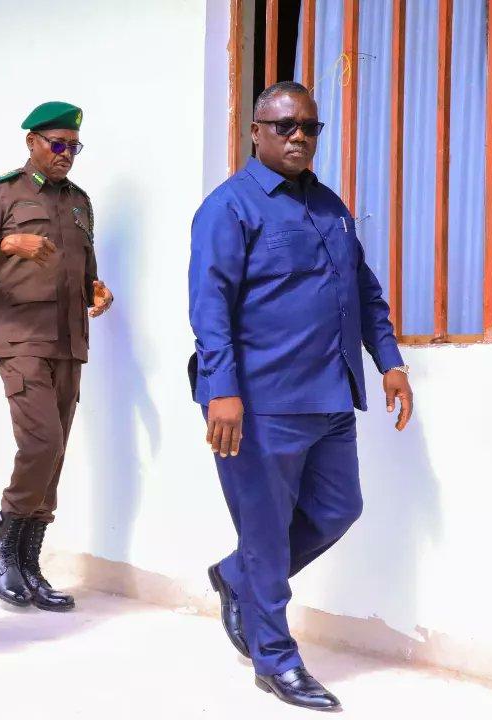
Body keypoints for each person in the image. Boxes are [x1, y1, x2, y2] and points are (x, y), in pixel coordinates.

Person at [188, 81, 414, 711]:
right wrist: (222, 391)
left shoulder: (329, 205)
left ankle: (237, 576)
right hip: (259, 403)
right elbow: (210, 307)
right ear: (256, 131)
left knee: (339, 508)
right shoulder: (228, 208)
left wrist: (390, 361)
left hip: (329, 395)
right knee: (265, 535)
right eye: (284, 126)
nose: (298, 137)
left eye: (309, 127)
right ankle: (276, 659)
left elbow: (363, 292)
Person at [0, 101, 114, 611]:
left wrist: (96, 291)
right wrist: (8, 245)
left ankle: (28, 562)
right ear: (32, 142)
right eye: (57, 143)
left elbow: (84, 271)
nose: (66, 153)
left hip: (69, 342)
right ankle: (1, 545)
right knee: (42, 442)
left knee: (56, 451)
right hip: (21, 338)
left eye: (74, 146)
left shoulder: (80, 202)